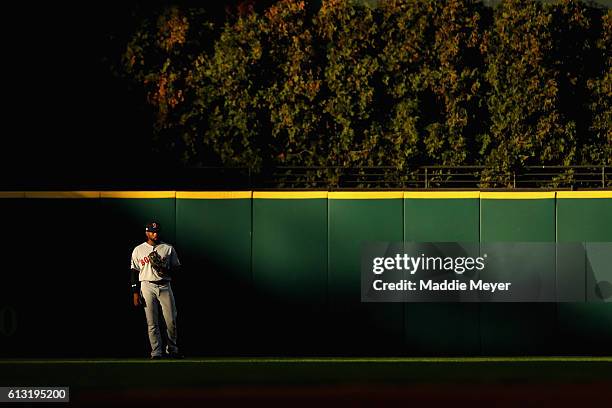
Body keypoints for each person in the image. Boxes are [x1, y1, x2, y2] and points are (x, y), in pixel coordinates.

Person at [130, 221, 184, 359]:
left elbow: (177, 268)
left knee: (171, 320)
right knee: (152, 322)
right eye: (152, 231)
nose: (155, 234)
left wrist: (165, 269)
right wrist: (135, 292)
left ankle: (172, 350)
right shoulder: (138, 249)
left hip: (165, 285)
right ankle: (156, 352)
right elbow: (134, 272)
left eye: (157, 231)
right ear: (147, 232)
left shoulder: (168, 248)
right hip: (147, 285)